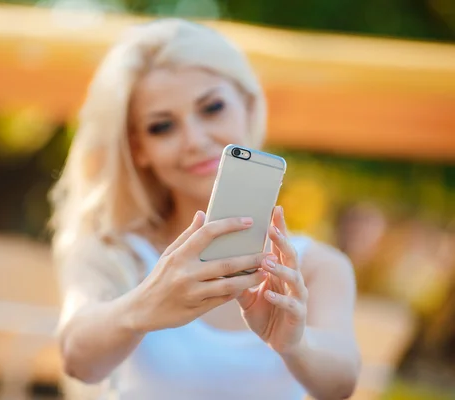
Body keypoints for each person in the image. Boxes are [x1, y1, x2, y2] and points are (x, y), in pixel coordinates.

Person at [50, 18, 360, 400]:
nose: (195, 140)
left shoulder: (317, 266)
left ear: (248, 106)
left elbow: (342, 383)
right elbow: (78, 361)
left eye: (212, 108)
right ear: (138, 150)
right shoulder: (115, 252)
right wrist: (142, 306)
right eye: (162, 127)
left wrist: (295, 345)